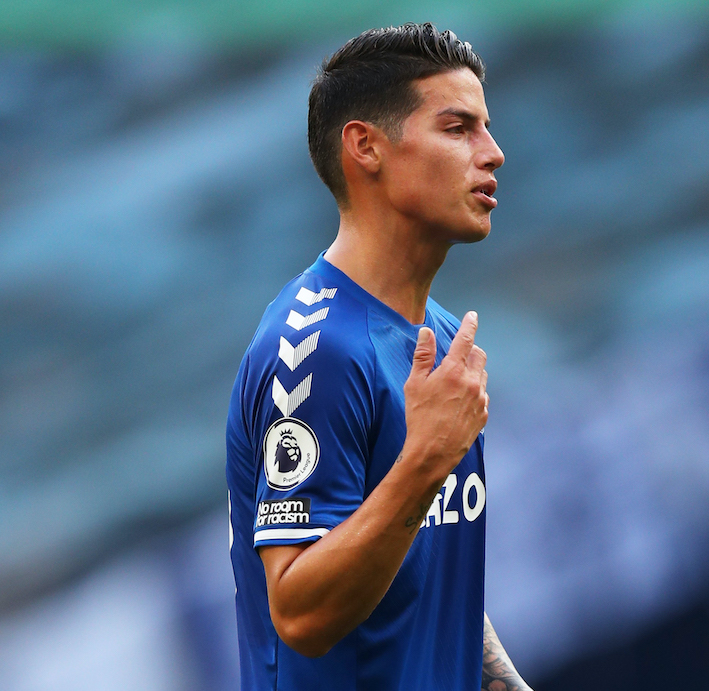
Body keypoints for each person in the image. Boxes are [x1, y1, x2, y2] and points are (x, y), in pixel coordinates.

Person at [226, 22, 532, 691]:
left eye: (486, 128)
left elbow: (421, 570)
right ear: (366, 146)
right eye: (458, 128)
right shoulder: (315, 350)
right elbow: (300, 611)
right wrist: (425, 460)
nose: (494, 153)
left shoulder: (438, 336)